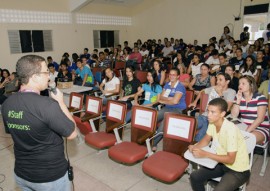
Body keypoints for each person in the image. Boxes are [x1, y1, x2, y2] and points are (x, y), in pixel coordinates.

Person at [1, 55, 77, 190]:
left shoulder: (7, 103)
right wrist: (60, 102)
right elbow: (72, 133)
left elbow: (14, 131)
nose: (49, 76)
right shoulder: (47, 105)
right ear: (35, 76)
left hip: (22, 174)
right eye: (46, 72)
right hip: (49, 177)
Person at [189, 98, 251, 191]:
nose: (208, 115)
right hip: (223, 164)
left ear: (222, 114)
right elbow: (206, 140)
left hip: (239, 170)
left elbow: (230, 159)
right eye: (208, 111)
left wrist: (205, 154)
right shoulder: (212, 123)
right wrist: (195, 147)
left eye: (213, 112)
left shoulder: (230, 130)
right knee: (194, 176)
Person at [189, 73, 236, 141]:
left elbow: (227, 108)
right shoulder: (213, 88)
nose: (217, 82)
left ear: (227, 81)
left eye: (220, 80)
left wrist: (220, 94)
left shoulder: (231, 92)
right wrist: (195, 102)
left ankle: (196, 143)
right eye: (217, 80)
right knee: (191, 125)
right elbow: (202, 91)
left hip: (217, 118)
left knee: (206, 126)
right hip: (205, 115)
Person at [153, 68, 186, 150]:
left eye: (174, 75)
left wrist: (166, 99)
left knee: (164, 123)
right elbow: (161, 97)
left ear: (178, 76)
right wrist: (171, 98)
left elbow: (175, 102)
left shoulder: (180, 87)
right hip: (167, 107)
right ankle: (148, 136)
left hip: (178, 109)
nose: (171, 76)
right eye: (170, 74)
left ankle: (153, 143)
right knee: (154, 117)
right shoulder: (167, 84)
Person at [231, 75, 270, 144]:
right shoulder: (238, 97)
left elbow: (260, 119)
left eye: (243, 83)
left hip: (260, 128)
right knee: (227, 134)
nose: (240, 85)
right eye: (239, 83)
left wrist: (246, 132)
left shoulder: (260, 97)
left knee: (246, 139)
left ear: (251, 85)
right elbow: (234, 115)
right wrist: (238, 101)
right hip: (244, 126)